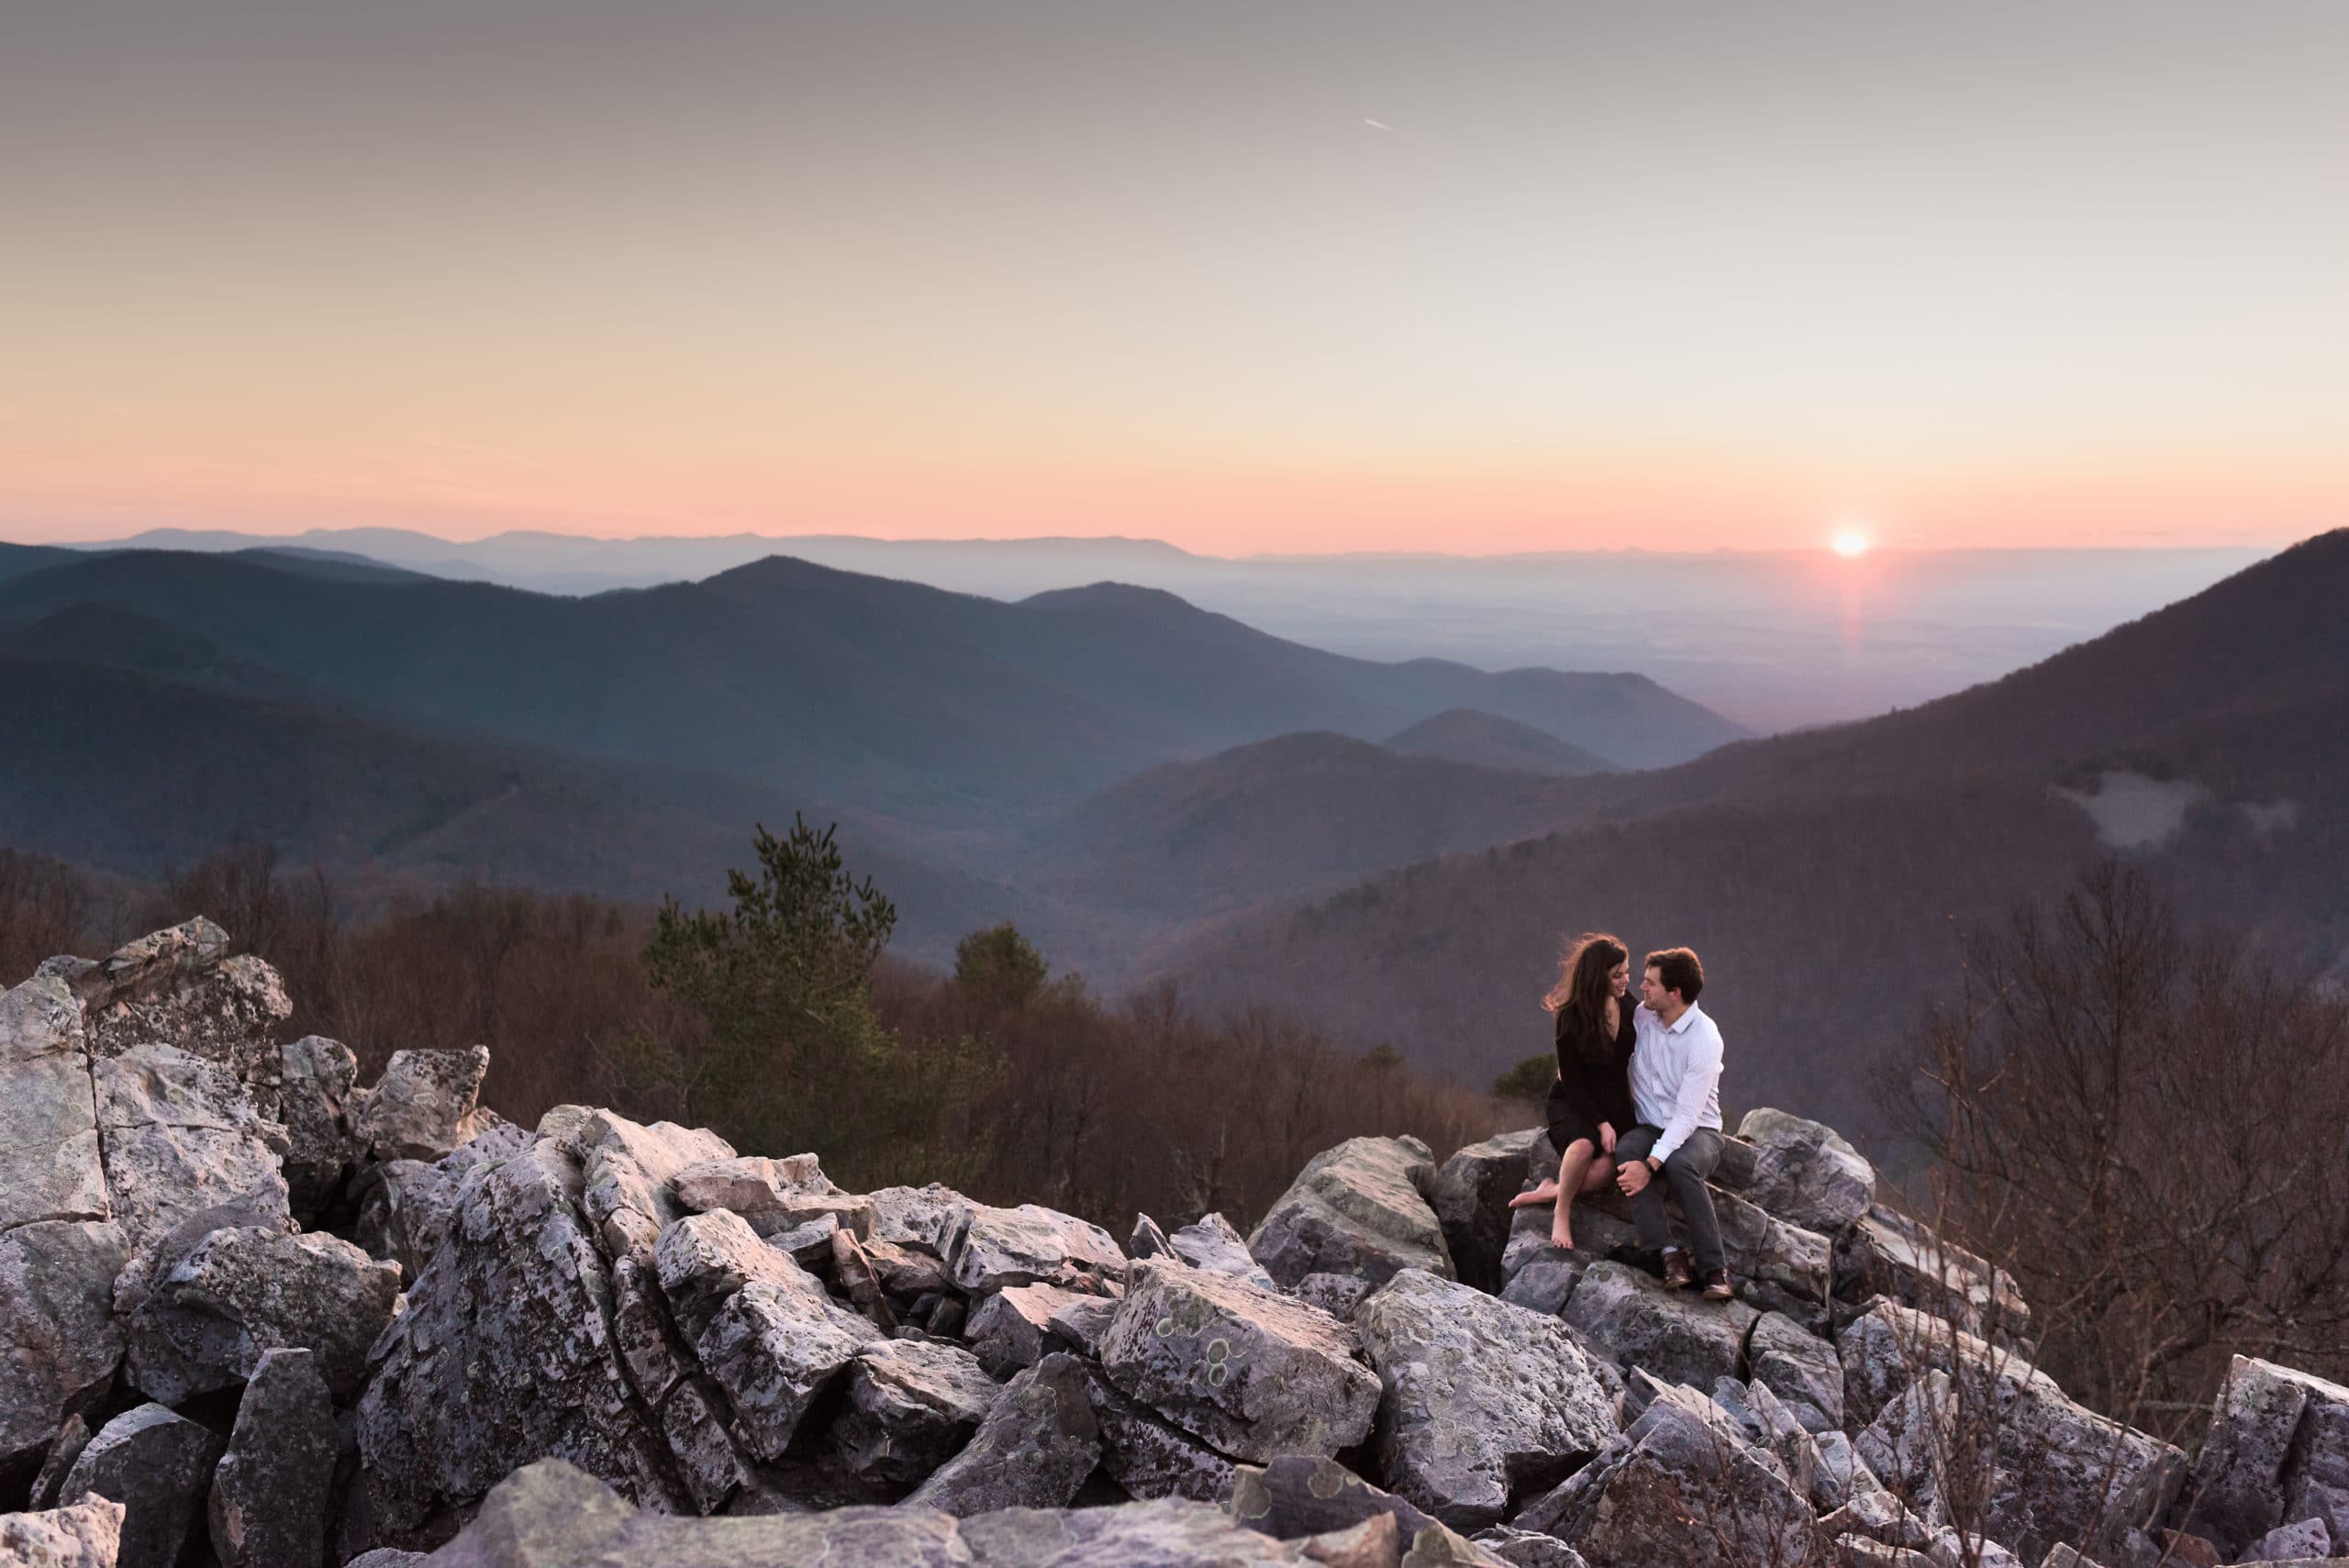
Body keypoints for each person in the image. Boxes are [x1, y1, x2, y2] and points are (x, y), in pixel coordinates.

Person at [1614, 946, 1732, 1300]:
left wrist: (1651, 1165)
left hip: (1700, 1131)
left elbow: (1687, 1117)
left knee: (1680, 1165)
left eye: (1650, 983)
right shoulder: (1642, 1016)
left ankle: (1715, 1269)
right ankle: (1668, 1254)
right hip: (1651, 1125)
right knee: (1625, 1150)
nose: (1642, 987)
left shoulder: (1705, 1039)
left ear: (1675, 993)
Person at [1507, 933, 1639, 1250]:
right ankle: (1561, 1211)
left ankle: (1552, 1189)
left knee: (1609, 1168)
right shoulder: (1571, 1016)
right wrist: (1601, 1123)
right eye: (1617, 975)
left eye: (1626, 972)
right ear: (1598, 977)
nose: (1625, 980)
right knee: (1581, 1147)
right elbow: (1572, 1081)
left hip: (1614, 1100)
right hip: (1574, 1100)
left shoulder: (1630, 1005)